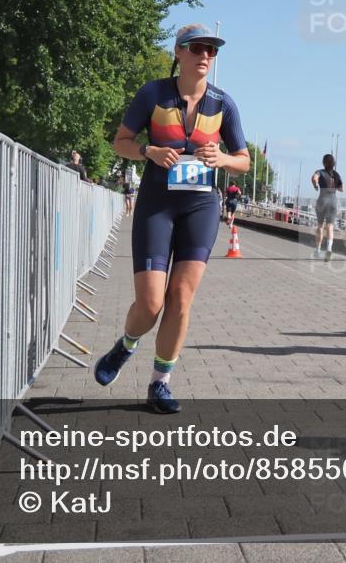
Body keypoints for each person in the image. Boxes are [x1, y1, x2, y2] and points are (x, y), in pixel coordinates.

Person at [97, 24, 249, 414]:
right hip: (157, 204)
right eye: (198, 48)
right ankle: (126, 345)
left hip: (200, 206)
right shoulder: (153, 93)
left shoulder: (223, 103)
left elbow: (243, 161)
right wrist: (148, 150)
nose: (206, 56)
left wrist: (223, 159)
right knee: (149, 304)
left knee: (180, 298)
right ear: (179, 52)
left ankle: (160, 383)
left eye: (212, 51)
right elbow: (120, 142)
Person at [311, 154, 343, 261]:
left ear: (324, 163)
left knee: (320, 226)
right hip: (333, 201)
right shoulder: (336, 174)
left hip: (322, 199)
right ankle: (329, 249)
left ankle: (318, 250)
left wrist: (315, 184)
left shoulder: (320, 172)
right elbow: (342, 188)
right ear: (333, 163)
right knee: (330, 226)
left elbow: (314, 178)